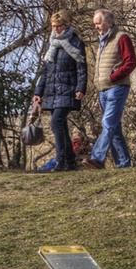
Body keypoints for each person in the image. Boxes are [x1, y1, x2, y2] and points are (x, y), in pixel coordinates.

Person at [31, 10, 86, 173]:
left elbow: (81, 68)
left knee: (56, 123)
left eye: (58, 26)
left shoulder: (76, 43)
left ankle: (61, 161)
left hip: (69, 89)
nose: (55, 29)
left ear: (66, 25)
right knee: (60, 124)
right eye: (53, 26)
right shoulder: (50, 44)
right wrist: (38, 92)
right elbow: (45, 71)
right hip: (53, 91)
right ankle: (70, 161)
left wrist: (80, 88)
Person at [85, 7, 136, 169]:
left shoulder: (121, 38)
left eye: (98, 23)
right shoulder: (102, 41)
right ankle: (123, 163)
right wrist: (97, 82)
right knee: (114, 127)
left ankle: (97, 158)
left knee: (107, 123)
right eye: (94, 24)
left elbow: (131, 62)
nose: (96, 27)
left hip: (117, 87)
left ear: (109, 22)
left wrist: (113, 77)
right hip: (103, 90)